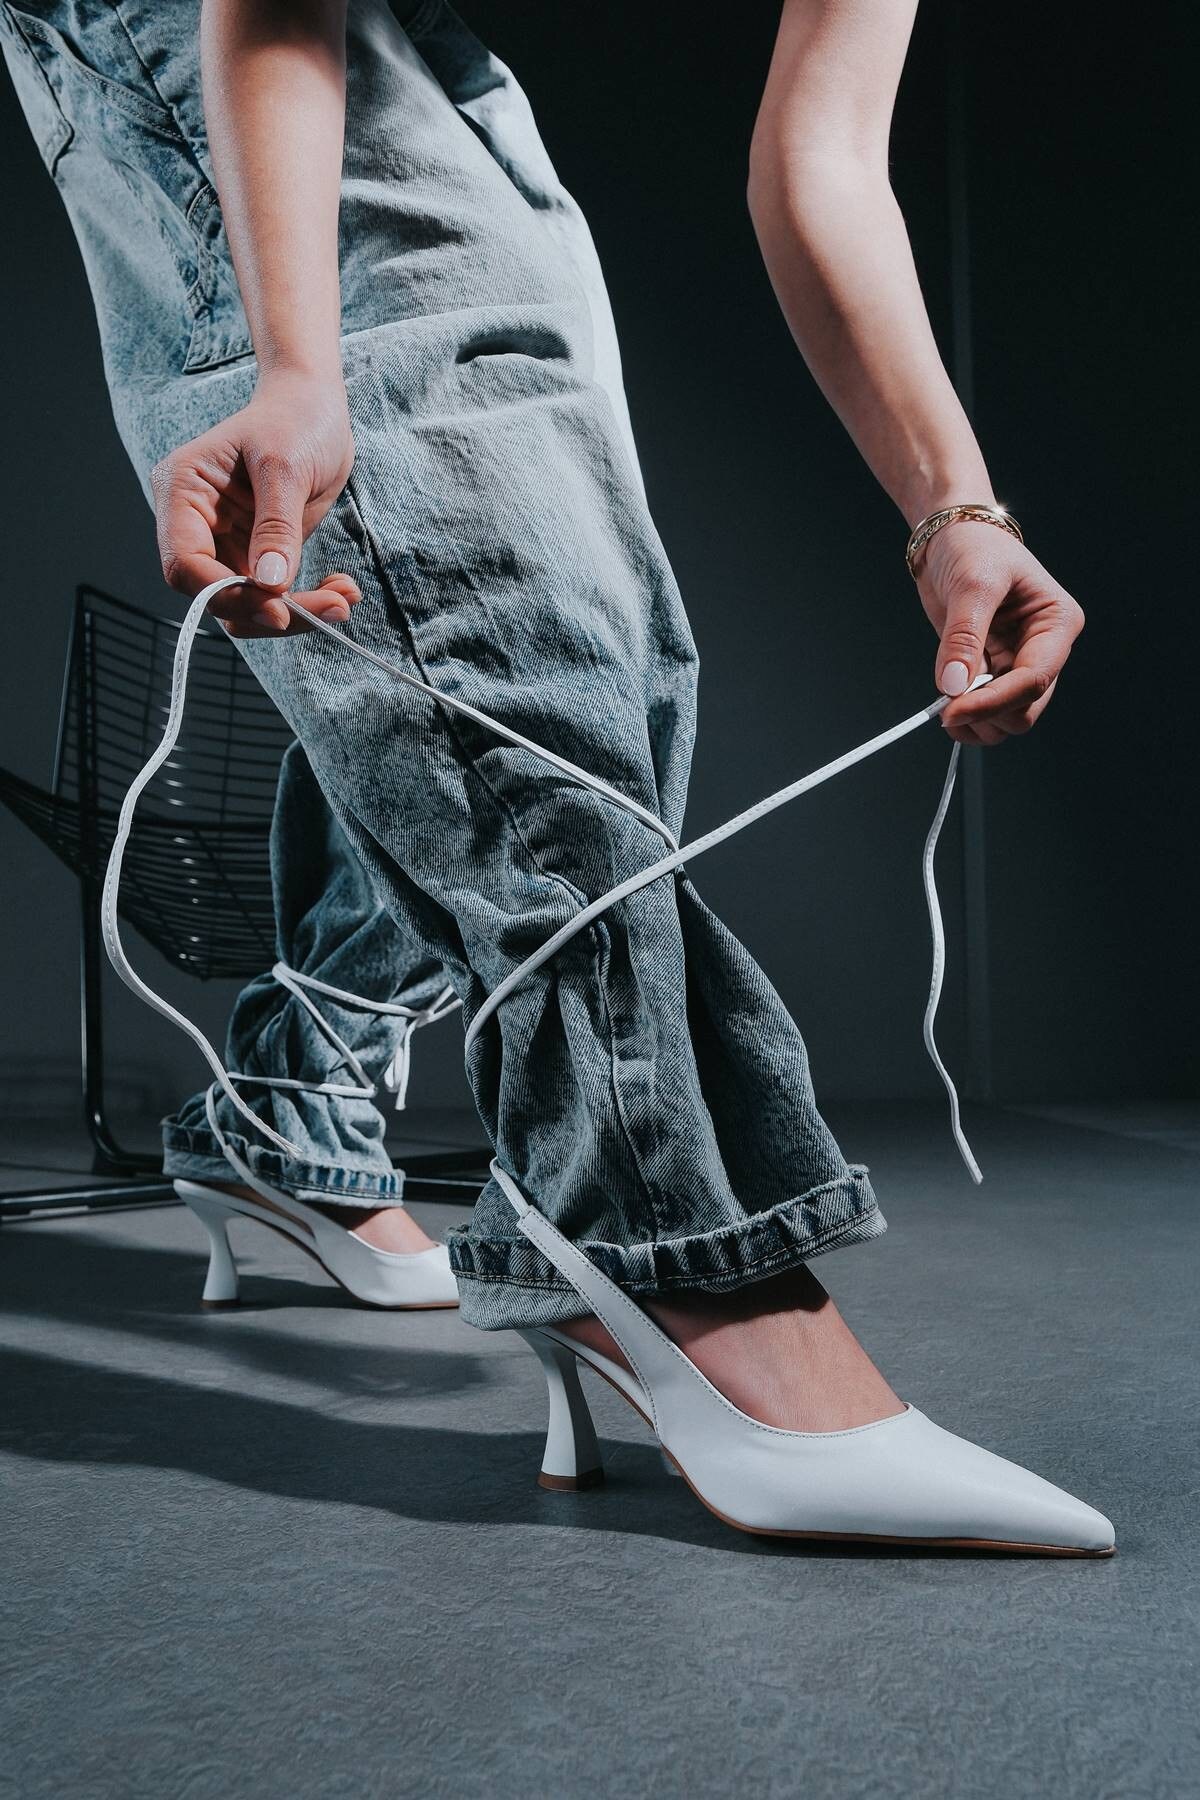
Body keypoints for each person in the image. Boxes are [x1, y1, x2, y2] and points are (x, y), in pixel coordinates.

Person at [1, 0, 1110, 1550]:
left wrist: (955, 512)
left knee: (597, 631)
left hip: (434, 55)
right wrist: (298, 362)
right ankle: (666, 1249)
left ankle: (295, 1109)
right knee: (480, 587)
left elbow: (823, 159)